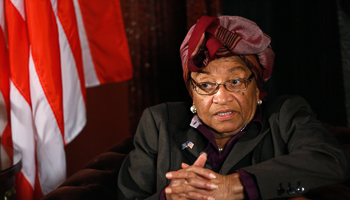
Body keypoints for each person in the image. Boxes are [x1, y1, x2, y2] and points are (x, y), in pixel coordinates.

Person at [117, 15, 350, 200]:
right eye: (206, 85)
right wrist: (168, 197)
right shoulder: (158, 123)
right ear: (191, 91)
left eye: (235, 82)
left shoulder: (285, 115)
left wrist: (234, 186)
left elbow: (330, 161)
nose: (221, 98)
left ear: (257, 85)